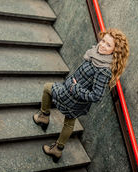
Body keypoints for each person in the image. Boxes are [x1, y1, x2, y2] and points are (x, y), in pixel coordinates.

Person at [33, 28, 129, 162]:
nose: (102, 45)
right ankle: (57, 150)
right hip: (75, 98)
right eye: (103, 41)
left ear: (115, 51)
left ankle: (43, 116)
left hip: (72, 95)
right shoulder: (97, 55)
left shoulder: (104, 70)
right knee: (69, 121)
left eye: (108, 45)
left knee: (47, 88)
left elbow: (96, 96)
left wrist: (75, 88)